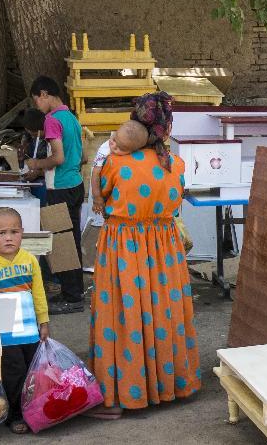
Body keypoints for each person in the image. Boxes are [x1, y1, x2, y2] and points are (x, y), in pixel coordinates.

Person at [87, 92, 200, 417]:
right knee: (163, 311)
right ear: (164, 130)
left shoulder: (113, 162)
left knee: (125, 314)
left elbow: (101, 195)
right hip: (164, 248)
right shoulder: (174, 164)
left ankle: (121, 393)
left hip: (123, 246)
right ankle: (170, 384)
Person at [26, 76, 86, 315]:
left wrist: (36, 163)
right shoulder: (71, 117)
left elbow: (58, 158)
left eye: (36, 101)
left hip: (59, 187)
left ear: (44, 94)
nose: (37, 107)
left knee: (62, 244)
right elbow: (78, 157)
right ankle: (73, 292)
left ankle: (72, 298)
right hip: (75, 185)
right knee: (71, 241)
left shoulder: (51, 120)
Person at [0, 207, 50, 435]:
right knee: (13, 371)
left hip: (29, 328)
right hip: (5, 331)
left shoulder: (29, 260)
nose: (8, 237)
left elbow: (39, 293)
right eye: (1, 232)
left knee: (32, 370)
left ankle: (34, 409)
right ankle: (15, 414)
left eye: (14, 232)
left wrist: (43, 321)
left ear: (23, 233)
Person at [19, 108, 49, 204]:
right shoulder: (30, 138)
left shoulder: (52, 142)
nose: (31, 136)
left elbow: (60, 167)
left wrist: (38, 173)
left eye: (32, 133)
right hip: (34, 179)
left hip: (48, 184)